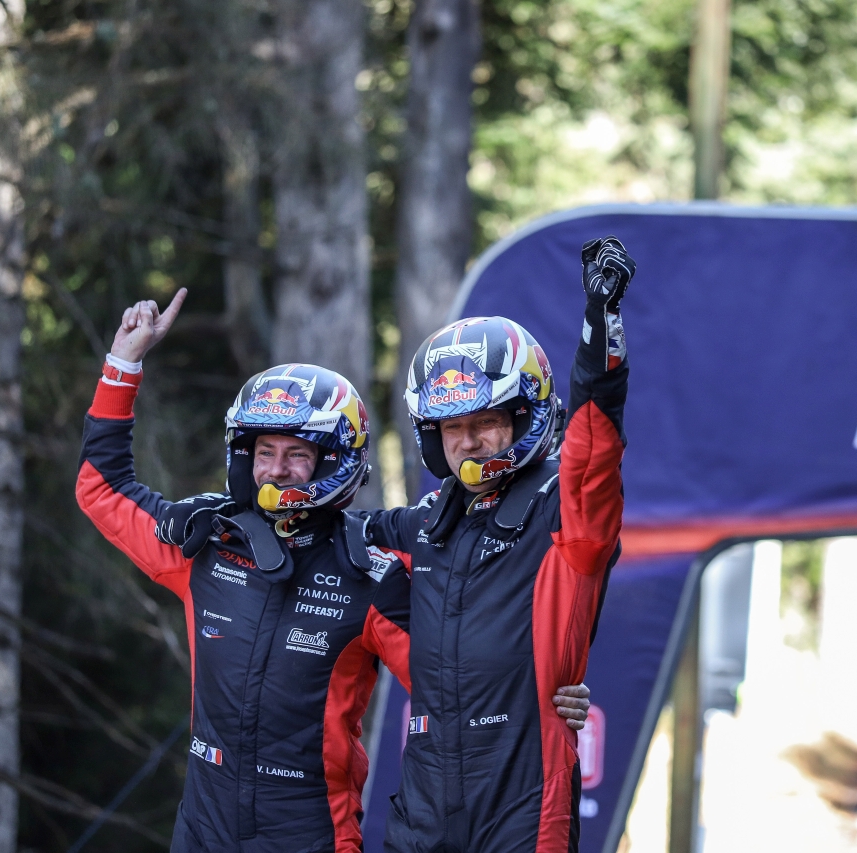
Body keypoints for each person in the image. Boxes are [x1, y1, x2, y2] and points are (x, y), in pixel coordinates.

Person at [75, 290, 589, 853]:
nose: (277, 469)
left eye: (297, 454)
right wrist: (124, 363)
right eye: (264, 452)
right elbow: (101, 488)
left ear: (333, 459)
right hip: (202, 828)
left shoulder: (373, 574)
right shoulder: (205, 545)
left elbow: (461, 679)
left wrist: (550, 691)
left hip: (312, 831)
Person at [359, 235, 635, 853]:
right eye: (452, 427)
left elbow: (595, 448)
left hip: (521, 809)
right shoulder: (426, 521)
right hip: (422, 810)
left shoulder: (566, 512)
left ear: (525, 416)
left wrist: (601, 326)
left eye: (485, 421)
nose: (468, 442)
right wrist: (227, 516)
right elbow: (322, 534)